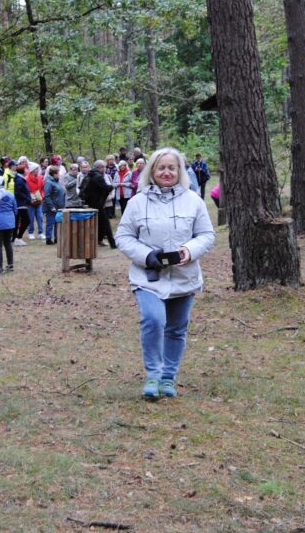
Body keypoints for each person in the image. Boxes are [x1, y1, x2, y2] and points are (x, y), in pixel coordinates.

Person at [115, 147, 215, 400]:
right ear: (152, 171)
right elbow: (124, 236)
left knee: (176, 328)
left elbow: (206, 235)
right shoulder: (137, 202)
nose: (167, 172)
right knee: (154, 320)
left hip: (184, 277)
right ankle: (153, 375)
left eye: (172, 168)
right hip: (147, 277)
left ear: (180, 171)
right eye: (161, 168)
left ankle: (168, 378)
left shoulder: (194, 200)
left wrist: (188, 251)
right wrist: (147, 256)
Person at [82, 159, 115, 247]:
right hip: (97, 203)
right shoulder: (98, 176)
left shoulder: (88, 175)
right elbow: (106, 188)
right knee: (105, 222)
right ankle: (113, 244)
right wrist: (112, 186)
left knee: (100, 222)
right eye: (104, 167)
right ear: (99, 167)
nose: (105, 168)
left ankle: (99, 240)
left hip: (89, 202)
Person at [42, 165, 66, 245]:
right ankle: (48, 239)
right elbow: (47, 196)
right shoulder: (48, 183)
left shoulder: (56, 182)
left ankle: (57, 238)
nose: (59, 175)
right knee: (50, 223)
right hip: (52, 207)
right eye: (57, 173)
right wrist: (51, 206)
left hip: (59, 206)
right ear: (54, 174)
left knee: (57, 223)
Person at [12, 157, 31, 246]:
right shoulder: (19, 180)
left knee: (19, 221)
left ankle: (16, 237)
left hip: (21, 203)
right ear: (23, 171)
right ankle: (18, 238)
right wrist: (26, 198)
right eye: (26, 170)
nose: (27, 171)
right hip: (20, 204)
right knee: (26, 220)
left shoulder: (20, 179)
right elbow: (17, 192)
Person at [26, 162, 44, 240]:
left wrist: (42, 195)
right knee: (31, 217)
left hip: (39, 201)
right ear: (32, 170)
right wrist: (30, 196)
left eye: (37, 168)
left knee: (40, 217)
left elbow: (42, 188)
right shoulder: (26, 179)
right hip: (30, 202)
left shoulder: (40, 178)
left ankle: (41, 233)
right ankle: (30, 232)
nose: (37, 170)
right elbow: (26, 190)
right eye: (36, 169)